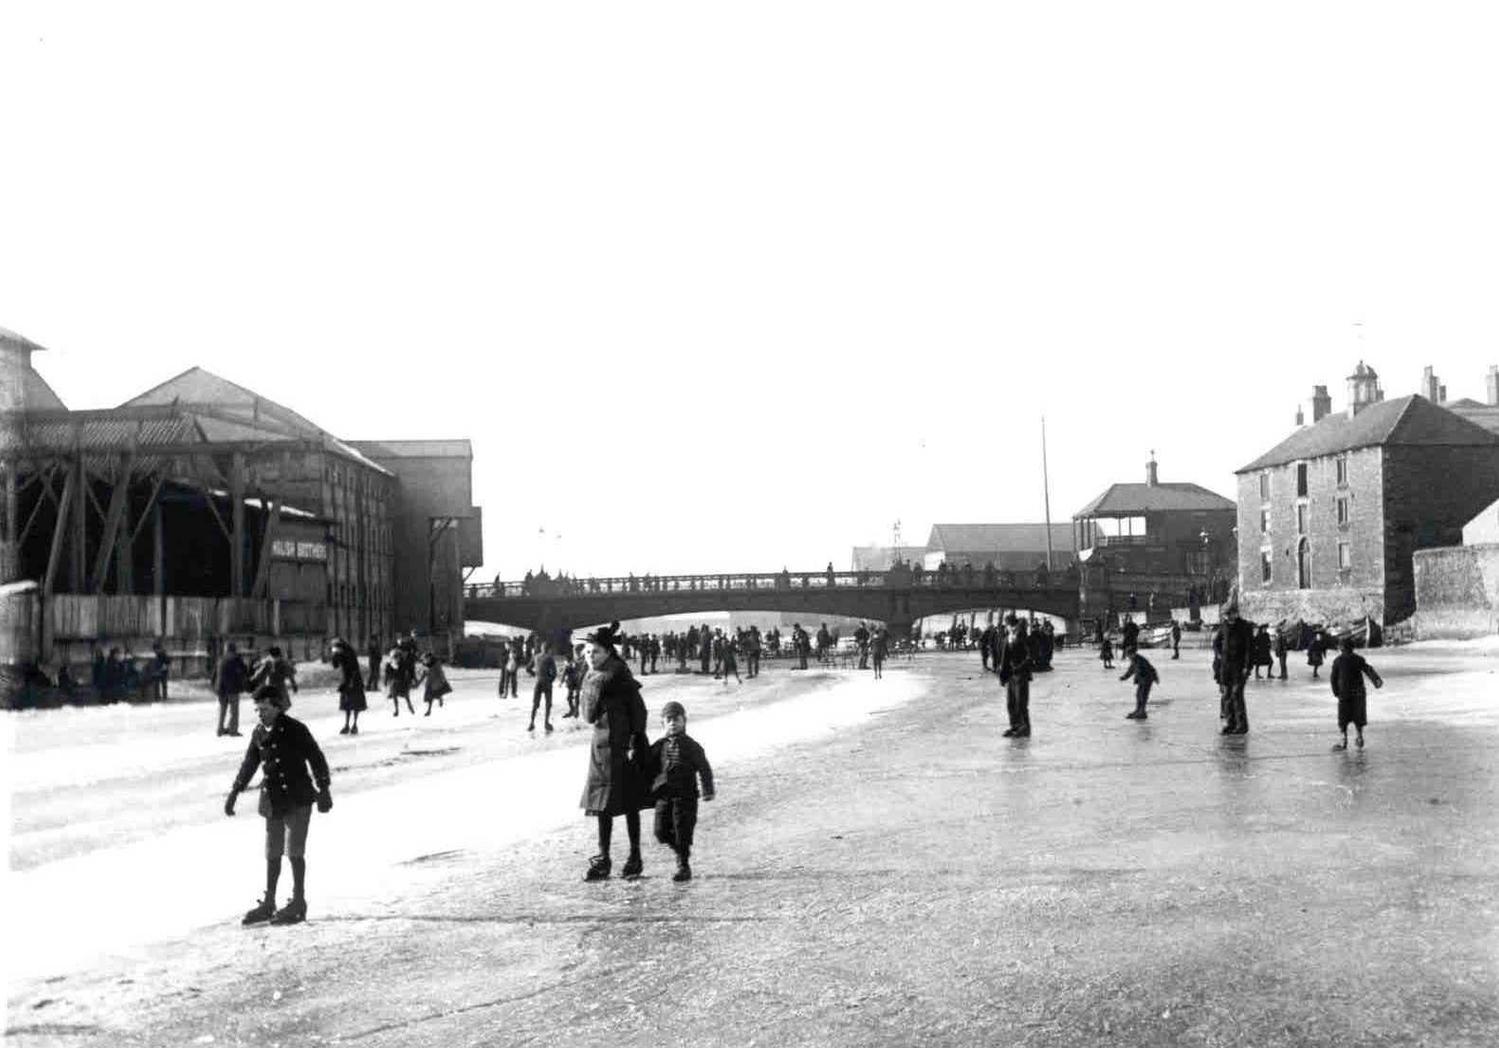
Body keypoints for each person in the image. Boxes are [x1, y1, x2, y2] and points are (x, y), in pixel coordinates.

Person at [224, 684, 333, 926]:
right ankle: (269, 902)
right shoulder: (259, 732)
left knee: (294, 851)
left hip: (298, 797)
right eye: (257, 709)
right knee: (272, 852)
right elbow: (250, 763)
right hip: (272, 800)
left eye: (264, 708)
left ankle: (298, 902)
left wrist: (324, 789)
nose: (260, 713)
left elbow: (316, 758)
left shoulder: (295, 729)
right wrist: (235, 790)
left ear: (277, 707)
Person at [578, 623, 651, 881]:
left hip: (624, 750)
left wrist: (634, 741)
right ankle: (604, 857)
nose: (590, 656)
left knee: (630, 803)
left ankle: (634, 856)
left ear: (608, 652)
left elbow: (639, 711)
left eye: (595, 652)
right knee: (602, 807)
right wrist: (591, 683)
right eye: (587, 651)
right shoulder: (591, 677)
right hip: (600, 750)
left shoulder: (621, 677)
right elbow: (588, 716)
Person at [647, 700, 715, 882]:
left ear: (684, 721)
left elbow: (704, 768)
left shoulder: (692, 746)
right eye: (668, 720)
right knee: (660, 832)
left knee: (682, 830)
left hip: (686, 796)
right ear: (662, 723)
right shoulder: (660, 745)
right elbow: (646, 762)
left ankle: (683, 865)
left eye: (677, 719)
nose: (672, 723)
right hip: (664, 795)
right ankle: (678, 850)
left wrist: (707, 789)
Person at [1329, 638, 1383, 750]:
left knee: (1343, 719)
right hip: (1358, 693)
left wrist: (1336, 692)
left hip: (1344, 693)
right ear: (1352, 648)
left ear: (1341, 648)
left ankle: (1343, 741)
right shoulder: (1358, 659)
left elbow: (1333, 678)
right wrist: (1376, 680)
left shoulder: (1338, 661)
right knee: (1358, 717)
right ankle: (1359, 737)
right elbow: (1368, 670)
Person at [1219, 607, 1254, 735]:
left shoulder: (1244, 627)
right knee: (1227, 695)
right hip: (1226, 667)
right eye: (1226, 615)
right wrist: (1219, 655)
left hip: (1239, 667)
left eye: (1230, 614)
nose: (1228, 617)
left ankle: (1242, 725)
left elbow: (1249, 649)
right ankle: (1230, 723)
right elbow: (1217, 642)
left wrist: (1247, 666)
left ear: (1236, 614)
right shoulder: (1224, 626)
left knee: (1236, 694)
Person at [998, 616, 1033, 737]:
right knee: (1011, 702)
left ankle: (1025, 728)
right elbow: (1004, 659)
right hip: (1011, 676)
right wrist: (1003, 676)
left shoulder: (1022, 637)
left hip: (1021, 675)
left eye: (1007, 625)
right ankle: (1015, 726)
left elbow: (1029, 657)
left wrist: (1019, 668)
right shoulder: (1008, 638)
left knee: (1021, 703)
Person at [331, 638, 367, 735]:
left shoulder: (349, 653)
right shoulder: (341, 653)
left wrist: (351, 681)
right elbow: (335, 665)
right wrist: (334, 655)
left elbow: (354, 668)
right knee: (347, 704)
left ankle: (354, 724)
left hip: (354, 680)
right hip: (347, 680)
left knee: (355, 704)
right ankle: (347, 725)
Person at [215, 642, 249, 737]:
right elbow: (243, 671)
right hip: (233, 688)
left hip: (221, 689)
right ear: (234, 650)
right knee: (234, 711)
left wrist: (216, 686)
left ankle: (220, 729)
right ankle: (233, 730)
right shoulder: (236, 659)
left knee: (222, 711)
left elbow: (214, 674)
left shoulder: (221, 659)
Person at [1120, 649, 1160, 719]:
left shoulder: (1141, 660)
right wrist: (1125, 677)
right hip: (1142, 680)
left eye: (1128, 655)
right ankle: (1138, 710)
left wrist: (1155, 678)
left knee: (1143, 696)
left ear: (1132, 654)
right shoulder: (1135, 660)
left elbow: (1151, 669)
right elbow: (1131, 670)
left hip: (1147, 680)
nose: (1128, 657)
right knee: (1138, 695)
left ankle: (1142, 712)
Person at [530, 643, 556, 732]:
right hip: (547, 683)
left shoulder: (535, 657)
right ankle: (546, 723)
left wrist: (535, 675)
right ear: (548, 649)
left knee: (535, 703)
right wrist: (550, 680)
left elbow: (528, 668)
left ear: (541, 648)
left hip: (538, 682)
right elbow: (554, 673)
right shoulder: (550, 658)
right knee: (548, 704)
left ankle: (531, 723)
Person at [417, 652, 452, 717]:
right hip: (429, 683)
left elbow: (440, 672)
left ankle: (439, 698)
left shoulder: (436, 664)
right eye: (424, 659)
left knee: (434, 695)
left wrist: (443, 680)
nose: (425, 660)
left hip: (436, 682)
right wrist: (418, 683)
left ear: (429, 658)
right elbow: (423, 675)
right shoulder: (424, 665)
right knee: (429, 697)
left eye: (426, 659)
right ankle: (429, 710)